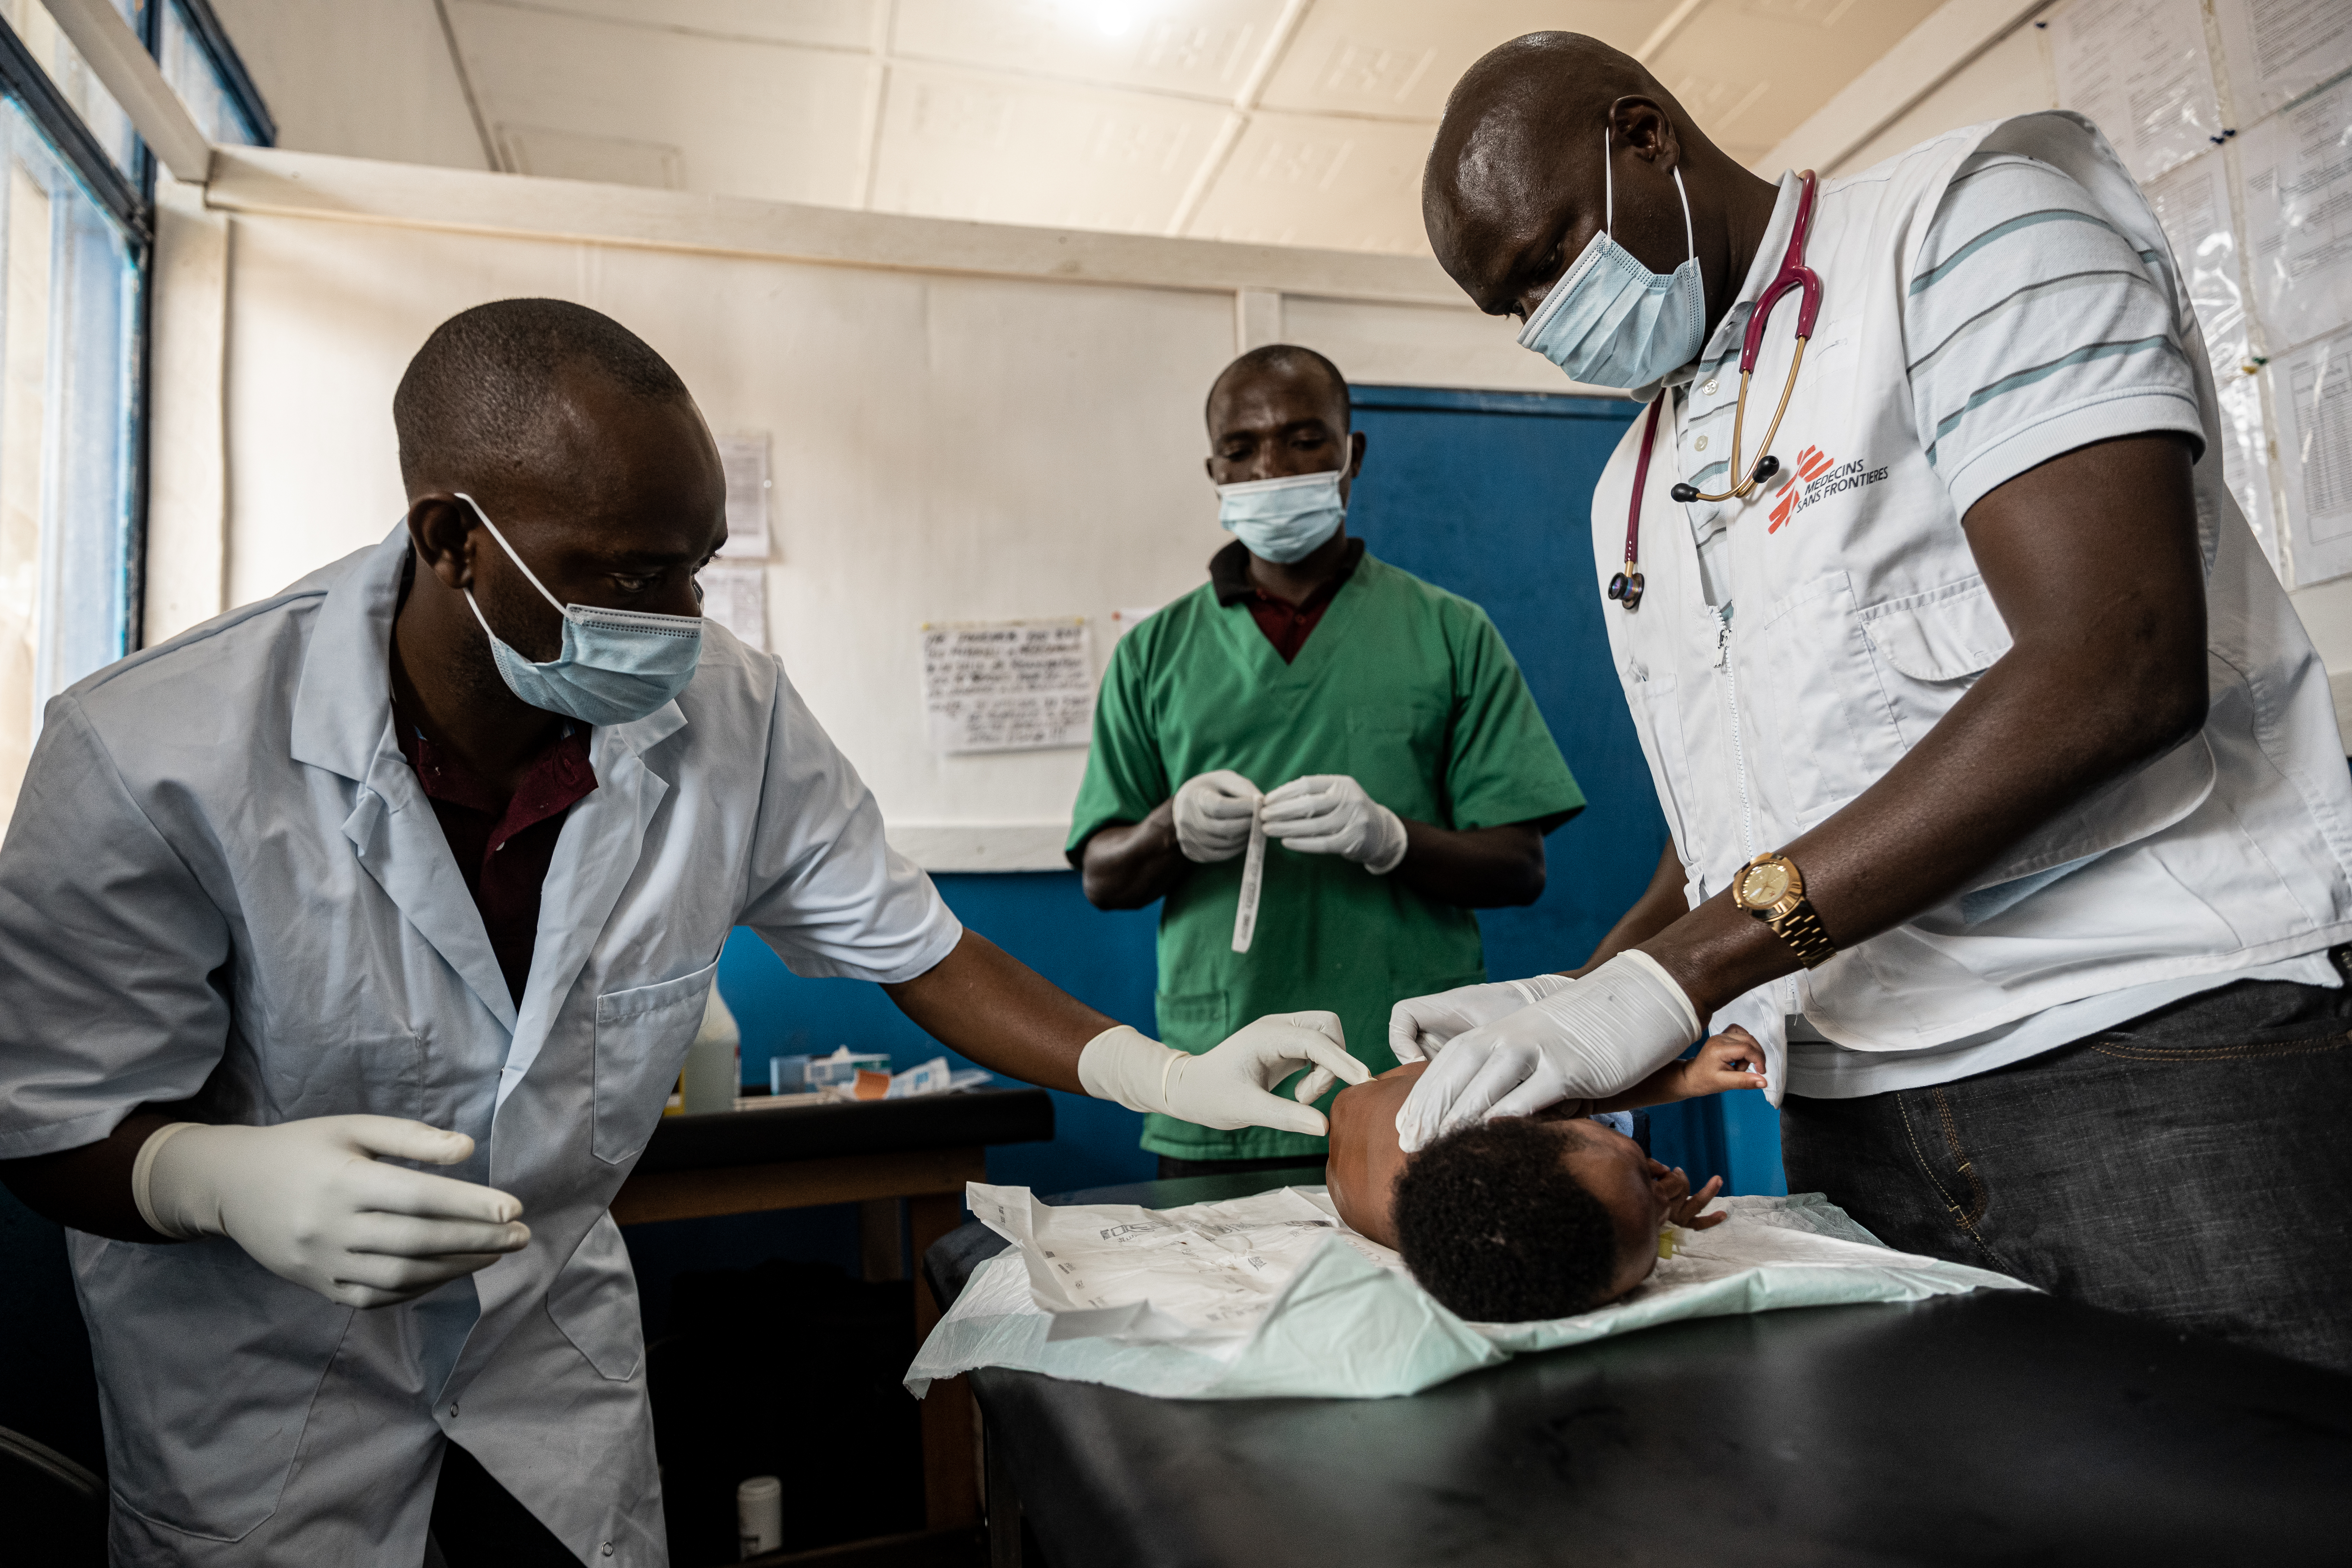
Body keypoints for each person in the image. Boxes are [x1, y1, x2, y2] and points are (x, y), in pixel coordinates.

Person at [0, 300, 1368, 1568]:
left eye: (697, 570)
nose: (680, 623)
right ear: (451, 538)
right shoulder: (153, 751)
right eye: (631, 576)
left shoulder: (732, 711)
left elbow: (922, 951)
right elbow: (54, 1121)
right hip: (263, 1396)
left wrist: (1167, 1072)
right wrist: (210, 1179)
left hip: (545, 1371)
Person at [1389, 33, 2352, 1372]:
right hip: (1851, 1107)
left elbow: (2111, 662)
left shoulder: (1958, 229)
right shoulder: (1637, 478)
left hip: (2142, 1051)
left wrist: (1680, 976)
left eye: (1548, 254)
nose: (1547, 316)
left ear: (1644, 139)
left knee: (2268, 1495)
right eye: (1509, 305)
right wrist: (1583, 992)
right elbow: (1745, 808)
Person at [1071, 344, 1586, 1177]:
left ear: (1353, 454)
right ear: (1215, 469)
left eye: (1305, 438)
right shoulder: (1153, 655)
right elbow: (1103, 877)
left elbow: (1519, 868)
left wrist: (1391, 839)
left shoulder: (1450, 634)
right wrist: (1170, 830)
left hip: (1413, 1079)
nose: (1272, 466)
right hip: (1219, 1079)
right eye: (1242, 449)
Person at [1325, 1035, 1759, 1320]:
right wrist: (1645, 1212)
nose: (1661, 1187)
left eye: (1643, 1175)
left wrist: (1685, 1077)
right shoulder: (1456, 1227)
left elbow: (1571, 1094)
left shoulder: (1459, 1119)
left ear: (1517, 1124)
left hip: (1411, 1078)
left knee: (1599, 1117)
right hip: (1356, 1128)